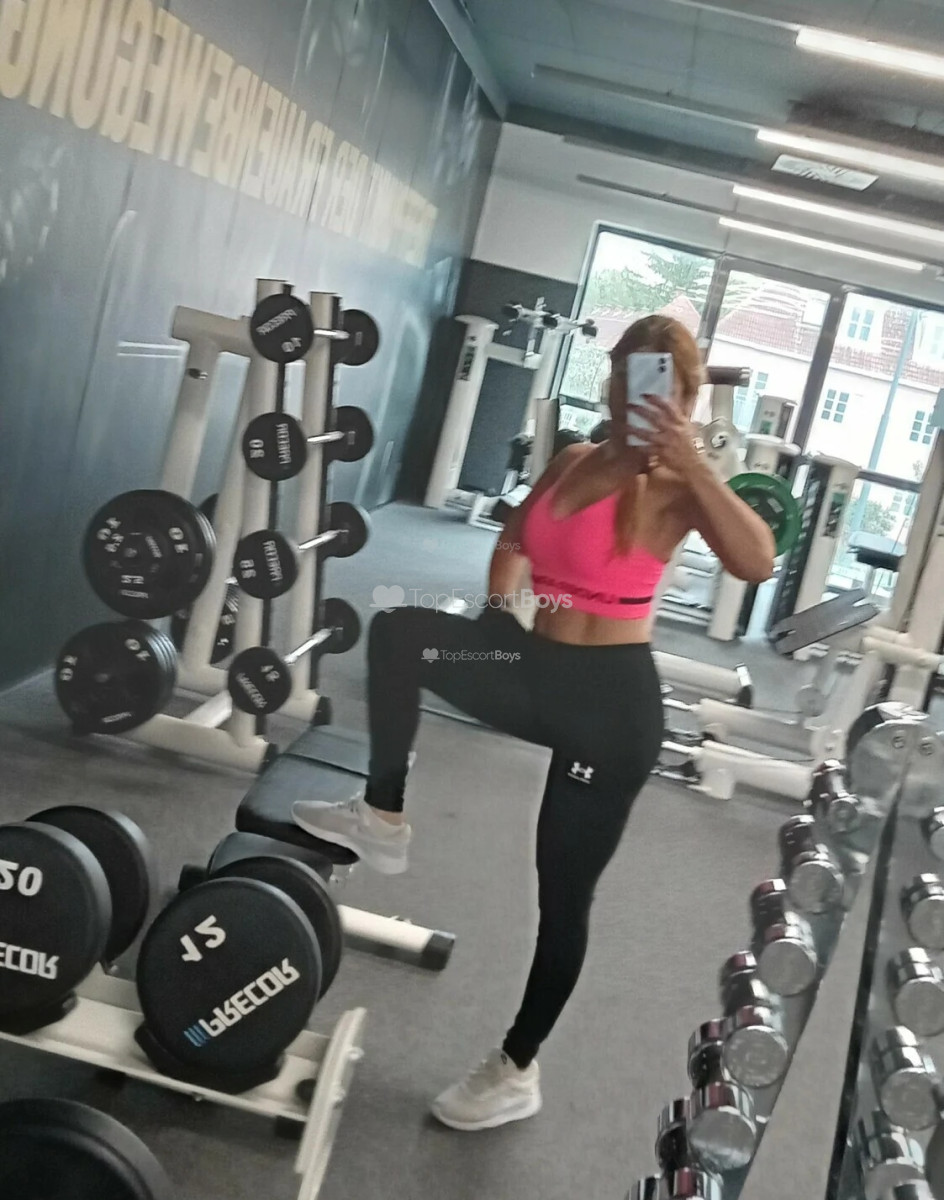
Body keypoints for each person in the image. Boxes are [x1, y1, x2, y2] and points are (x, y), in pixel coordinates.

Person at [292, 314, 776, 1132]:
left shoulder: (677, 486)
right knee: (401, 633)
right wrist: (497, 614)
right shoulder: (575, 458)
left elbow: (757, 558)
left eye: (660, 382)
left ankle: (517, 1065)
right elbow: (516, 535)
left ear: (686, 396)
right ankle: (382, 814)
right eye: (627, 373)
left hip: (608, 710)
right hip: (532, 662)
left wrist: (693, 460)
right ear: (612, 377)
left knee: (562, 896)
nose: (636, 392)